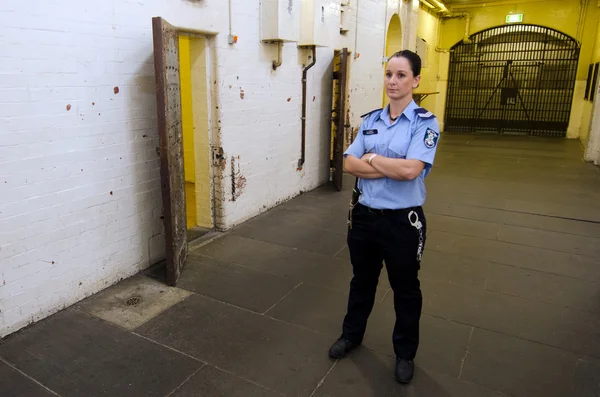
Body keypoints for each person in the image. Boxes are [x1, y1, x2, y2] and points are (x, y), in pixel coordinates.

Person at [328, 49, 440, 384]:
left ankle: (405, 353)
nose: (393, 81)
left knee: (405, 288)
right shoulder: (371, 120)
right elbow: (348, 164)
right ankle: (352, 335)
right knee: (361, 281)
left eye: (402, 75)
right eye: (389, 74)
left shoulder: (425, 124)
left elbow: (410, 171)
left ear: (416, 80)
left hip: (402, 222)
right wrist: (386, 165)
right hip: (364, 217)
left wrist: (372, 159)